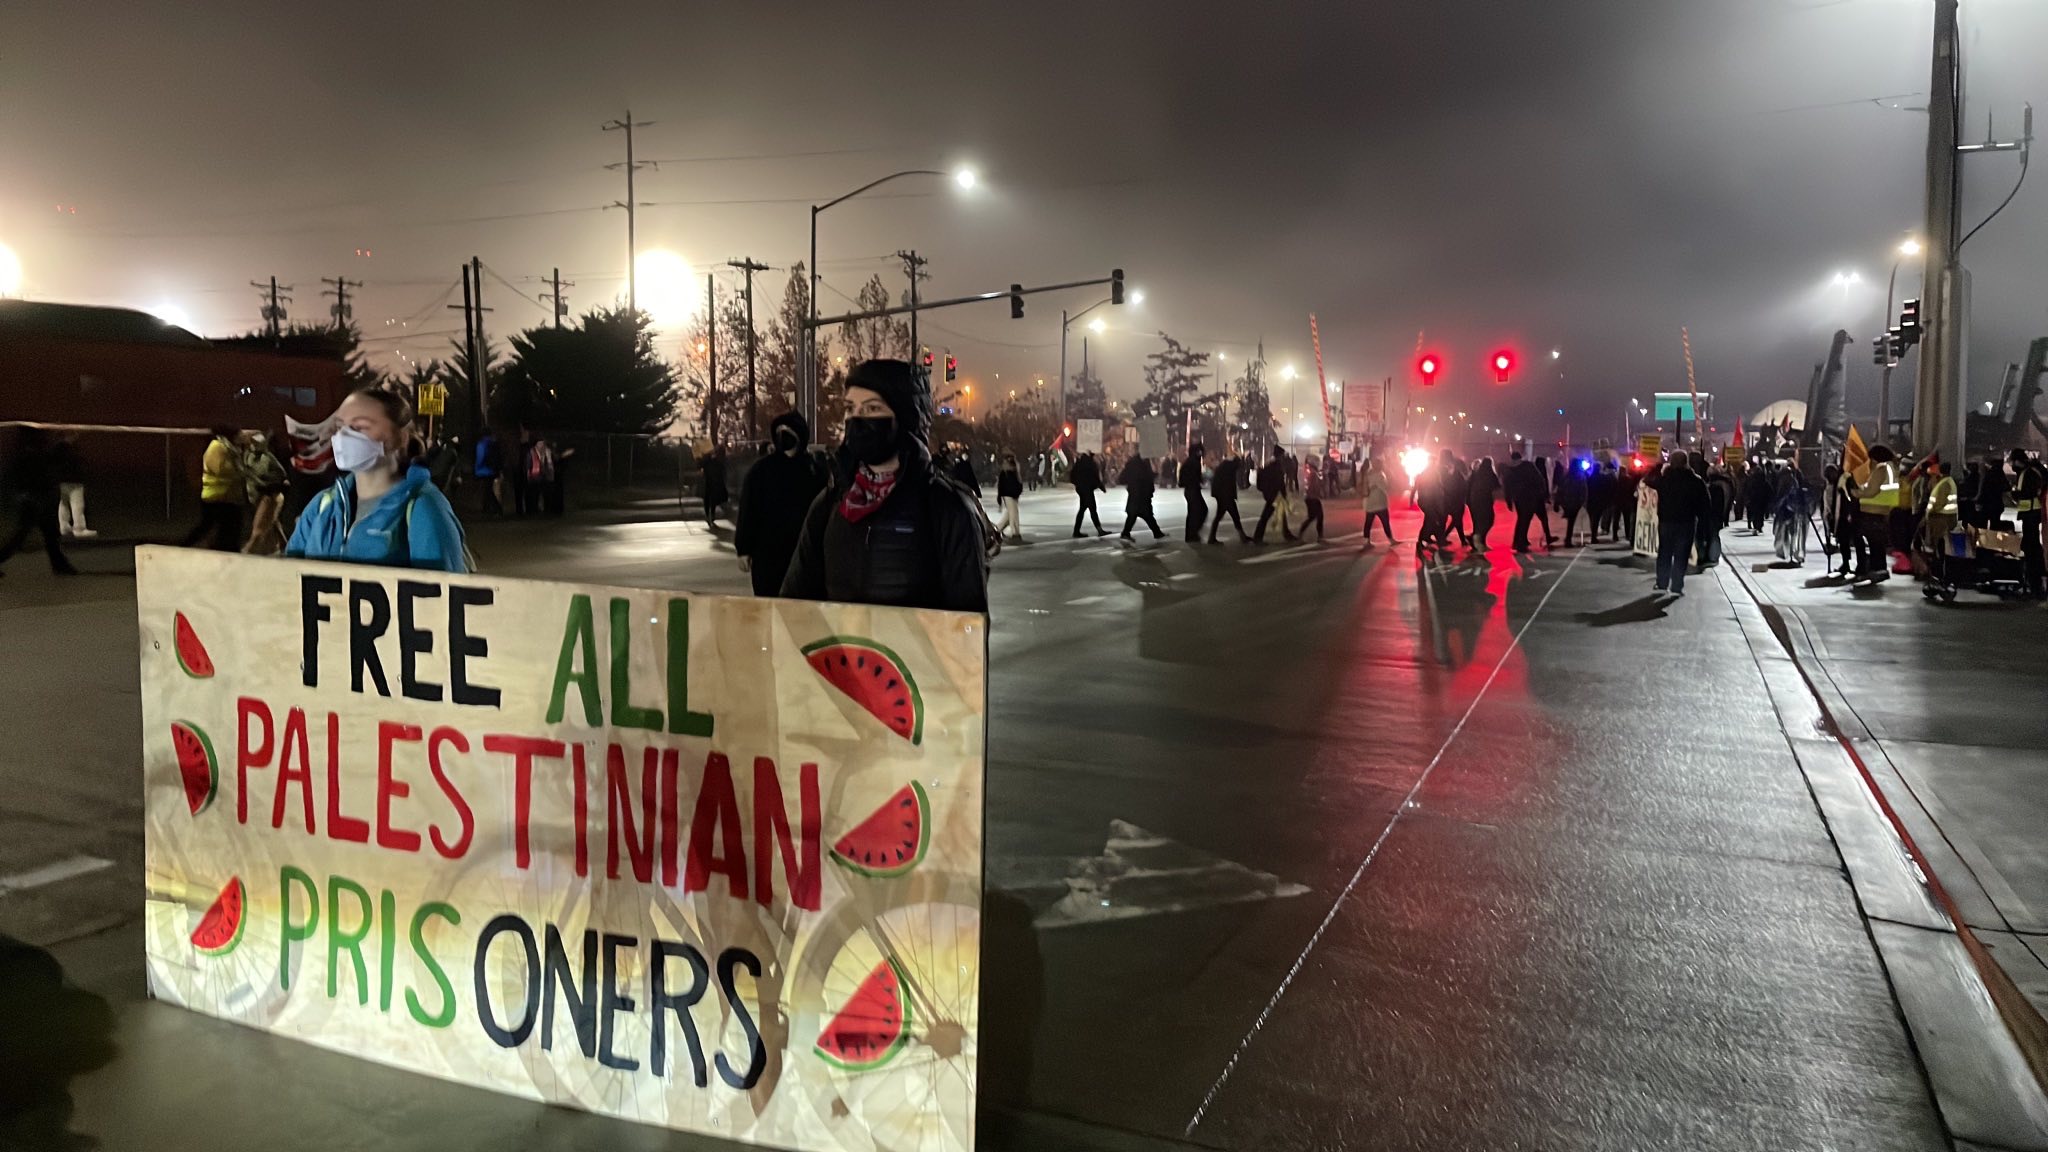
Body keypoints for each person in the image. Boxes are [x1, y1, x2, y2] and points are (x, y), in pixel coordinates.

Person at [781, 358, 988, 612]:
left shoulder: (947, 508)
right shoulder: (830, 504)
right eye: (850, 408)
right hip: (839, 652)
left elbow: (966, 627)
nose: (856, 419)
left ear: (904, 419)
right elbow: (792, 606)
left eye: (872, 409)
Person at [285, 389, 470, 573]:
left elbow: (444, 595)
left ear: (400, 438)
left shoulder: (423, 509)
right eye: (340, 427)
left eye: (359, 427)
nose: (343, 436)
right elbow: (286, 580)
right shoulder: (322, 506)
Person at [734, 410, 827, 597]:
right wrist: (743, 548)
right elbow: (748, 510)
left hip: (804, 553)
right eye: (779, 430)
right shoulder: (761, 470)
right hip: (768, 554)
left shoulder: (814, 470)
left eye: (788, 431)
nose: (783, 436)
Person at [0, 427, 81, 576]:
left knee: (49, 534)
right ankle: (59, 565)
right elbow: (48, 461)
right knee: (21, 535)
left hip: (38, 498)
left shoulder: (28, 452)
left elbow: (49, 461)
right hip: (33, 499)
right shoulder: (28, 454)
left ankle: (60, 565)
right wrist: (64, 443)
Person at [1647, 456, 1709, 595]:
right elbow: (1705, 504)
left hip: (1667, 521)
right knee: (1682, 555)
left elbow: (1648, 480)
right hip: (1686, 522)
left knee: (1665, 552)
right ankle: (1677, 585)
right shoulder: (1695, 480)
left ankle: (1662, 582)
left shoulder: (1665, 479)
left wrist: (1657, 467)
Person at [181, 425, 246, 551]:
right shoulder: (216, 447)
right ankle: (185, 546)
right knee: (209, 525)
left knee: (228, 525)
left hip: (227, 496)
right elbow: (218, 469)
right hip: (216, 496)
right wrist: (240, 471)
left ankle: (229, 549)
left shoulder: (229, 448)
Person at [1852, 444, 1902, 582]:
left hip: (1873, 509)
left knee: (1875, 542)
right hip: (1883, 509)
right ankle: (1878, 568)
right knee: (1877, 542)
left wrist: (1855, 493)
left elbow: (1871, 491)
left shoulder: (1881, 469)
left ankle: (1877, 568)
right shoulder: (1892, 468)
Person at [238, 431, 290, 556]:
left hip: (268, 496)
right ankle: (284, 545)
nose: (254, 446)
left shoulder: (267, 458)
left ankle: (249, 551)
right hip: (254, 496)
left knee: (260, 526)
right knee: (271, 521)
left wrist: (266, 481)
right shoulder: (247, 456)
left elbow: (282, 475)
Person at [2007, 448, 2045, 597]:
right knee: (2032, 545)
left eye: (2013, 461)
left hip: (2030, 513)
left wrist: (2014, 494)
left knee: (2031, 546)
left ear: (2018, 461)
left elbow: (2024, 493)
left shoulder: (2026, 474)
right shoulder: (2030, 472)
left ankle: (2034, 580)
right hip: (2030, 513)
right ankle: (2034, 579)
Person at [49, 432, 93, 539]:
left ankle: (64, 527)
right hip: (73, 480)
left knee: (64, 503)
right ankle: (79, 529)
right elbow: (77, 463)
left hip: (62, 480)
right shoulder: (70, 449)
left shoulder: (56, 448)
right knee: (77, 505)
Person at [1503, 451, 1546, 552]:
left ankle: (1517, 542)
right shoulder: (1528, 466)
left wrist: (1509, 500)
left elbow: (1507, 486)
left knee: (1521, 520)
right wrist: (1541, 493)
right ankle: (1521, 544)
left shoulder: (1510, 470)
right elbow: (1539, 479)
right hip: (1529, 497)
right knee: (1525, 520)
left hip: (1518, 498)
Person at [1253, 446, 1296, 543]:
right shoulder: (1276, 467)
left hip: (1272, 495)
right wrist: (1284, 495)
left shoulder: (1269, 466)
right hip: (1275, 496)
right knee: (1265, 516)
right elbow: (1280, 482)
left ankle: (1286, 534)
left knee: (1281, 514)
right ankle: (1258, 538)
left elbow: (1261, 482)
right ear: (1279, 456)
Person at [1116, 452, 1164, 540]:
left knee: (1135, 515)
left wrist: (1154, 474)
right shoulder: (1137, 463)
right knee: (1144, 514)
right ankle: (1157, 532)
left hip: (1139, 494)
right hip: (1139, 494)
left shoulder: (1141, 462)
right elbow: (1142, 477)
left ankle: (1126, 533)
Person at [1772, 463, 1811, 565]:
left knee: (1793, 534)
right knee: (1793, 534)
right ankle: (1793, 554)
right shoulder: (1792, 480)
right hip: (1790, 512)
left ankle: (1794, 554)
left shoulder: (1792, 481)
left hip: (1792, 512)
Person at [1208, 452, 1251, 543]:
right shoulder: (1229, 467)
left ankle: (1212, 537)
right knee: (1233, 515)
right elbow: (1228, 483)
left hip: (1222, 494)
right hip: (1226, 495)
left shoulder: (1225, 466)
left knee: (1222, 516)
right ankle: (1242, 536)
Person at [1070, 451, 1107, 537]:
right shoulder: (1090, 463)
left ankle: (1077, 531)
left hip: (1081, 489)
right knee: (1092, 509)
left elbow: (1072, 476)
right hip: (1088, 490)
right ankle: (1099, 530)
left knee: (1083, 510)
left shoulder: (1079, 463)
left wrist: (1078, 484)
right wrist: (1101, 487)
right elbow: (1095, 477)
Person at [992, 453, 1025, 542]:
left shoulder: (1013, 471)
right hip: (1008, 495)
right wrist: (999, 500)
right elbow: (1001, 487)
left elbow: (1019, 483)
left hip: (1013, 495)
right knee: (1013, 514)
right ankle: (1015, 533)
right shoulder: (1006, 472)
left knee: (1010, 514)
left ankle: (997, 530)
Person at [1362, 459, 1395, 546]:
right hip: (1380, 503)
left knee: (1368, 522)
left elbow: (1365, 488)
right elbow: (1386, 486)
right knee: (1385, 522)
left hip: (1371, 503)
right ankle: (1391, 539)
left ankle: (1367, 541)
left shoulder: (1368, 474)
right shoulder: (1380, 474)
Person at [1555, 460, 1587, 546]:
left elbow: (1560, 489)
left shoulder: (1566, 476)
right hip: (1575, 502)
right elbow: (1583, 490)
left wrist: (1557, 502)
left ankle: (1568, 538)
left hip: (1566, 501)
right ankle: (1568, 539)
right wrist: (1583, 501)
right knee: (1571, 521)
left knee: (1570, 520)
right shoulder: (1580, 476)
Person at [1181, 442, 1208, 542]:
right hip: (1193, 490)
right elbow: (1194, 477)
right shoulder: (1194, 462)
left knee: (1193, 513)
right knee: (1201, 511)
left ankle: (1190, 535)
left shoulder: (1189, 461)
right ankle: (1192, 534)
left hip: (1190, 490)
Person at [474, 429, 502, 515]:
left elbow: (480, 458)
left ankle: (494, 508)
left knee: (487, 490)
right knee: (488, 489)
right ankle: (489, 508)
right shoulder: (494, 443)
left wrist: (477, 469)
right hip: (493, 470)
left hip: (484, 470)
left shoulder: (481, 444)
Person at [1585, 461, 1614, 543]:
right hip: (1598, 502)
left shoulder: (1590, 478)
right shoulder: (1602, 478)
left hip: (1590, 502)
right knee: (1596, 519)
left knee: (1592, 519)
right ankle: (1594, 536)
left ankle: (1593, 535)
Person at [700, 446, 729, 526]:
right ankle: (711, 515)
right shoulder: (718, 461)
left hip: (709, 481)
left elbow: (703, 467)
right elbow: (722, 472)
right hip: (713, 482)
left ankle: (708, 515)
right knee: (711, 499)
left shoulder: (710, 461)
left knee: (708, 499)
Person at [1300, 457, 1327, 541]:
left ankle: (1318, 535)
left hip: (1311, 498)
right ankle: (1319, 536)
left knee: (1315, 517)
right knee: (1317, 516)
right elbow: (1315, 486)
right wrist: (1320, 493)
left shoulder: (1313, 473)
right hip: (1313, 498)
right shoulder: (1313, 474)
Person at [1743, 464, 1773, 534]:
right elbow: (1769, 490)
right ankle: (1759, 526)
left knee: (1756, 513)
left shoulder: (1753, 480)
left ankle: (1756, 526)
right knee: (1760, 514)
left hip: (1755, 499)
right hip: (1762, 500)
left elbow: (1749, 489)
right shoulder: (1764, 481)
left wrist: (1748, 497)